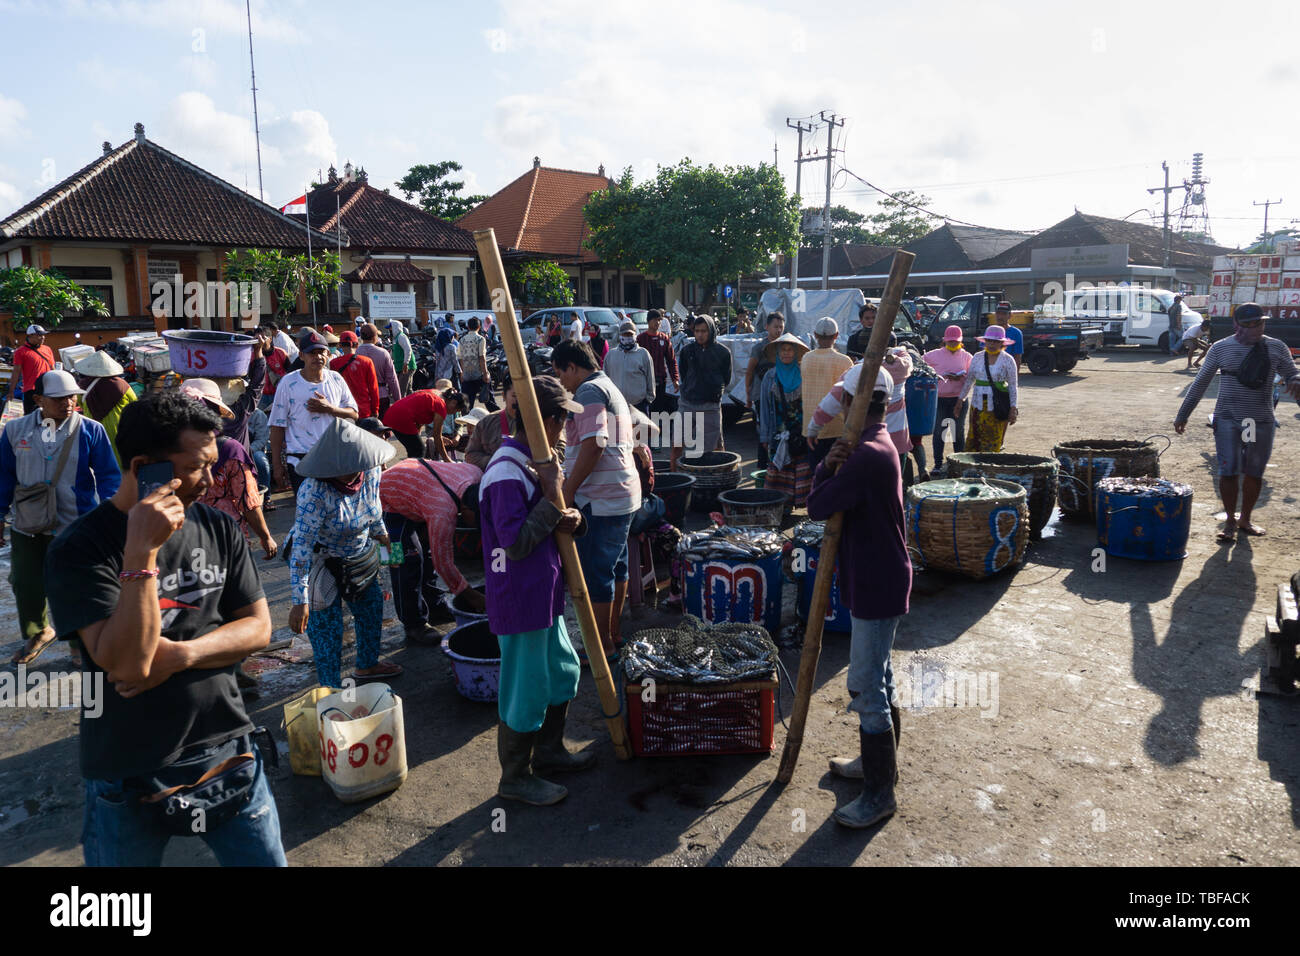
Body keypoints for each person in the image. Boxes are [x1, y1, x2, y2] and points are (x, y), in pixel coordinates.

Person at [44, 391, 285, 866]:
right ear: (143, 466)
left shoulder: (216, 526)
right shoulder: (81, 549)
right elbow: (130, 663)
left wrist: (183, 655)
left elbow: (258, 629)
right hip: (127, 770)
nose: (211, 480)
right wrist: (141, 554)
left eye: (214, 464)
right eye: (198, 467)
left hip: (227, 748)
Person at [806, 367, 911, 830]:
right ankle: (876, 769)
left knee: (867, 688)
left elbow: (815, 505)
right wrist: (828, 466)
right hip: (879, 575)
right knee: (879, 680)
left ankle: (879, 794)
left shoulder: (867, 454)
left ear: (849, 404)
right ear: (885, 405)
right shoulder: (878, 444)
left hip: (877, 580)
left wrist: (826, 467)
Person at [479, 375, 592, 805]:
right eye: (562, 418)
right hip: (519, 595)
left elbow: (550, 519)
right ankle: (515, 777)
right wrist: (550, 496)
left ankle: (548, 752)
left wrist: (569, 516)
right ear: (545, 420)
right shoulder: (507, 470)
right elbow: (516, 542)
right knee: (525, 689)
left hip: (544, 592)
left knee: (563, 671)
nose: (565, 427)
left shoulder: (537, 462)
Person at [1, 368, 121, 665]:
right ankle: (39, 631)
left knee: (76, 584)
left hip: (77, 523)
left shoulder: (91, 430)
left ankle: (79, 643)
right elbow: (3, 476)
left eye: (71, 397)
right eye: (58, 398)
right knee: (26, 582)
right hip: (28, 523)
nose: (67, 403)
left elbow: (109, 476)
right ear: (39, 399)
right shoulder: (15, 431)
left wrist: (109, 513)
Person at [288, 418, 402, 687]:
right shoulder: (313, 491)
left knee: (372, 606)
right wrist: (299, 599)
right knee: (327, 627)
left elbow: (373, 509)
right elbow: (301, 549)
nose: (352, 473)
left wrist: (385, 540)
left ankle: (368, 665)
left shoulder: (370, 470)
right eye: (344, 469)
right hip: (321, 559)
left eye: (356, 467)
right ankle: (331, 687)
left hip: (360, 551)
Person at [1173, 302, 1300, 541]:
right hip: (1228, 419)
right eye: (1248, 325)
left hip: (1260, 420)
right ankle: (1230, 520)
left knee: (1254, 473)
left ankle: (1246, 519)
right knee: (1228, 471)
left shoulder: (1276, 347)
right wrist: (1183, 414)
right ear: (1236, 325)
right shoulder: (1221, 348)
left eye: (1259, 324)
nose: (1254, 330)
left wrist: (1297, 380)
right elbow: (1200, 383)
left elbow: (1292, 372)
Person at [552, 339, 641, 657]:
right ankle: (613, 636)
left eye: (561, 374)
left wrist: (568, 489)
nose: (562, 383)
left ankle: (602, 647)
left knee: (597, 573)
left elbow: (595, 443)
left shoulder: (590, 390)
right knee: (616, 569)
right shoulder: (607, 385)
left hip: (603, 498)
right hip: (620, 493)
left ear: (573, 367)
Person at [380, 455, 485, 644]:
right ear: (467, 510)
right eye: (478, 520)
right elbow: (443, 562)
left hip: (416, 484)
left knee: (427, 553)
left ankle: (435, 607)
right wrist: (471, 596)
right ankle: (413, 624)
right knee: (403, 563)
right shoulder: (442, 510)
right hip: (386, 500)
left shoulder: (477, 474)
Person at [182, 379, 277, 560]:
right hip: (227, 539)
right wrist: (265, 537)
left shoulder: (167, 450)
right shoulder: (230, 449)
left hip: (184, 542)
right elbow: (248, 501)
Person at [269, 330, 359, 495]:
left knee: (335, 511)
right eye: (312, 353)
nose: (318, 357)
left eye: (321, 352)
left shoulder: (336, 379)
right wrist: (277, 466)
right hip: (301, 460)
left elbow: (354, 413)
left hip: (334, 456)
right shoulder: (288, 383)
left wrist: (330, 409)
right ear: (301, 355)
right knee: (308, 516)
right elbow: (277, 426)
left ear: (327, 354)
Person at [759, 332, 813, 507]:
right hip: (778, 433)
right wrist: (765, 437)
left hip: (801, 432)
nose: (787, 353)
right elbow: (765, 409)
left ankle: (801, 504)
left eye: (790, 350)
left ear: (796, 353)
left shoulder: (805, 373)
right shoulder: (770, 376)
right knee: (780, 469)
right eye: (783, 350)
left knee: (802, 467)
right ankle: (783, 507)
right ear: (777, 353)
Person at [673, 315, 732, 469]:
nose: (700, 334)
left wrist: (713, 391)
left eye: (704, 331)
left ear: (711, 331)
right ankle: (674, 476)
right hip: (687, 403)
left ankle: (719, 479)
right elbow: (684, 374)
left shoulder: (723, 353)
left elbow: (726, 378)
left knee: (713, 449)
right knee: (676, 444)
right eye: (697, 330)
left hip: (710, 406)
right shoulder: (687, 351)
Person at [801, 317, 854, 471]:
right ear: (836, 336)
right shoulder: (845, 362)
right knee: (836, 473)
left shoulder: (806, 358)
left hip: (811, 427)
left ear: (815, 335)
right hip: (837, 427)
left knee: (816, 473)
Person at [954, 325, 1019, 453]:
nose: (992, 344)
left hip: (997, 406)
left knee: (993, 439)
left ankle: (989, 469)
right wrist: (960, 400)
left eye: (996, 341)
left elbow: (1013, 385)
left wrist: (1013, 408)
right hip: (977, 405)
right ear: (985, 342)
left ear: (1002, 343)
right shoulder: (977, 357)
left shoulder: (1008, 360)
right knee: (974, 437)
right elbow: (969, 380)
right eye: (989, 341)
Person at [924, 325, 973, 474]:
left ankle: (959, 463)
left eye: (955, 342)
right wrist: (934, 376)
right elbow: (920, 364)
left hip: (959, 400)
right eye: (950, 341)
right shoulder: (934, 355)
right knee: (939, 432)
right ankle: (938, 464)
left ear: (960, 341)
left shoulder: (967, 356)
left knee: (958, 432)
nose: (952, 344)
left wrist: (960, 376)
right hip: (939, 399)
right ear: (945, 341)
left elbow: (972, 377)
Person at [76, 350, 136, 467]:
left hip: (93, 430)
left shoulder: (82, 386)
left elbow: (80, 405)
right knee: (120, 462)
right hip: (119, 430)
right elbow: (134, 404)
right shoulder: (122, 385)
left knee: (99, 463)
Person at [746, 311, 786, 468]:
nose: (778, 330)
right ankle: (763, 465)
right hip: (761, 395)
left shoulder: (786, 346)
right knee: (764, 429)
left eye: (781, 327)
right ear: (766, 326)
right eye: (775, 326)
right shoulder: (759, 348)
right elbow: (749, 371)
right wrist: (748, 395)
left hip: (782, 395)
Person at [383, 386, 465, 462]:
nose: (452, 413)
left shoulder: (436, 393)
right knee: (419, 450)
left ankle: (410, 472)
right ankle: (413, 474)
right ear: (453, 403)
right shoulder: (441, 406)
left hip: (392, 412)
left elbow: (420, 416)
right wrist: (447, 460)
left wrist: (439, 437)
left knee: (414, 449)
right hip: (401, 417)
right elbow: (437, 437)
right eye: (455, 411)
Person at [604, 319, 656, 414]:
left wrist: (648, 399)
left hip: (639, 405)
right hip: (617, 405)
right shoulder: (611, 355)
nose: (628, 338)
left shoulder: (643, 354)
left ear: (635, 336)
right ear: (620, 336)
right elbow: (605, 379)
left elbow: (650, 378)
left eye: (630, 335)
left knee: (641, 429)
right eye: (625, 335)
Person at [330, 330, 380, 419]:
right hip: (364, 410)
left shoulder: (334, 363)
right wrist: (375, 409)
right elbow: (373, 389)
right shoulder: (367, 361)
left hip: (344, 411)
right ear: (357, 345)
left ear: (340, 345)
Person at [638, 309, 679, 415]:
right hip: (644, 382)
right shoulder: (641, 339)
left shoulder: (664, 339)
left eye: (659, 320)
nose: (657, 322)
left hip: (660, 380)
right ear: (648, 321)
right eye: (655, 320)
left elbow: (671, 360)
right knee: (645, 411)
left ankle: (658, 430)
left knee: (658, 411)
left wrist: (675, 379)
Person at [358, 323, 403, 415]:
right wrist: (398, 400)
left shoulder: (356, 353)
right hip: (381, 395)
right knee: (382, 427)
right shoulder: (383, 353)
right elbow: (392, 379)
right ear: (375, 336)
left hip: (361, 396)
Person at [11, 324, 56, 414]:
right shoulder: (21, 352)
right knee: (31, 418)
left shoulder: (47, 349)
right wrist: (11, 391)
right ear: (30, 336)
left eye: (43, 335)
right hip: (31, 391)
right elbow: (16, 372)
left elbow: (52, 368)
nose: (43, 337)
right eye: (39, 335)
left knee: (48, 417)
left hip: (47, 389)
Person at [257, 323, 290, 413]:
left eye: (263, 338)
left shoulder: (281, 353)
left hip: (279, 395)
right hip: (261, 396)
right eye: (257, 339)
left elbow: (290, 374)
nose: (260, 341)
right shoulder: (253, 355)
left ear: (270, 339)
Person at [457, 316, 489, 410]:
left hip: (466, 376)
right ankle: (499, 419)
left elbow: (460, 358)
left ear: (468, 327)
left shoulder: (461, 340)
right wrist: (485, 373)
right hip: (479, 375)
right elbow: (481, 357)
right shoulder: (480, 339)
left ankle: (467, 422)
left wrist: (462, 373)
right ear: (479, 327)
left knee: (467, 404)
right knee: (489, 400)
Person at [991, 302, 1024, 369]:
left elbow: (1017, 358)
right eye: (998, 313)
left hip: (1007, 371)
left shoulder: (1016, 333)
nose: (1000, 316)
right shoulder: (990, 331)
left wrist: (1015, 377)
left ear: (1010, 315)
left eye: (1003, 314)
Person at [389, 319, 416, 399]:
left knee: (401, 389)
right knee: (408, 390)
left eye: (390, 328)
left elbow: (408, 349)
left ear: (395, 327)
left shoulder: (401, 336)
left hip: (407, 366)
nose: (389, 330)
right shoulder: (396, 338)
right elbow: (394, 352)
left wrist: (406, 363)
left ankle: (401, 407)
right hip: (401, 366)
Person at [434, 326, 461, 391]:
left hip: (439, 374)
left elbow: (437, 362)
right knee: (457, 390)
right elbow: (455, 362)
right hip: (450, 374)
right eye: (452, 336)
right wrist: (460, 372)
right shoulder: (451, 347)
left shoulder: (438, 347)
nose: (453, 338)